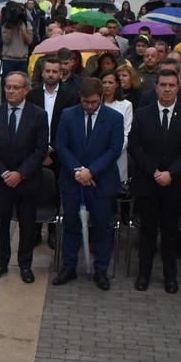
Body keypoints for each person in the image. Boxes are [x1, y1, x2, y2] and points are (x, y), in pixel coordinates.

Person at [128, 69, 181, 293]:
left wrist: (171, 173)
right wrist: (154, 172)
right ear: (156, 87)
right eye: (163, 85)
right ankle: (143, 275)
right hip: (148, 183)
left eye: (171, 85)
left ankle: (170, 277)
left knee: (171, 233)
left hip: (175, 185)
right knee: (147, 232)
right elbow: (135, 146)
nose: (167, 89)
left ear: (178, 88)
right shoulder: (143, 114)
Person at [51, 77, 124, 291]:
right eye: (85, 102)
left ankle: (101, 270)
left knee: (102, 227)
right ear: (80, 98)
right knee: (71, 224)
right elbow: (61, 146)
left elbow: (114, 149)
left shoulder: (114, 118)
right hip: (73, 181)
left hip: (101, 182)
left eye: (93, 102)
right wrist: (78, 171)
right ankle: (69, 266)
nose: (90, 106)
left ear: (101, 97)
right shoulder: (68, 115)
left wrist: (91, 171)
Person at [0, 71, 47, 283]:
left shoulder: (38, 115)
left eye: (15, 87)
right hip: (1, 181)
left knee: (27, 225)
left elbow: (40, 150)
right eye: (8, 87)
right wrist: (4, 173)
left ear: (26, 90)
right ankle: (1, 262)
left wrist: (20, 173)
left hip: (27, 181)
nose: (10, 91)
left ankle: (25, 265)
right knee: (1, 224)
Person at [27, 56, 77, 248]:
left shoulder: (69, 97)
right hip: (34, 152)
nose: (50, 74)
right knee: (34, 191)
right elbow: (28, 126)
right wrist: (41, 151)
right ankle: (34, 231)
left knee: (55, 193)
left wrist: (50, 149)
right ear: (42, 72)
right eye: (47, 71)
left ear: (61, 74)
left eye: (54, 71)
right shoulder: (32, 96)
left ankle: (53, 232)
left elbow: (68, 128)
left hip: (58, 153)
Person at [99, 70, 132, 184]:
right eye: (104, 82)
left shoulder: (126, 105)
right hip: (96, 155)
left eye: (110, 82)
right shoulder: (95, 104)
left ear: (117, 84)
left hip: (117, 155)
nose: (107, 85)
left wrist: (113, 151)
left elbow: (127, 132)